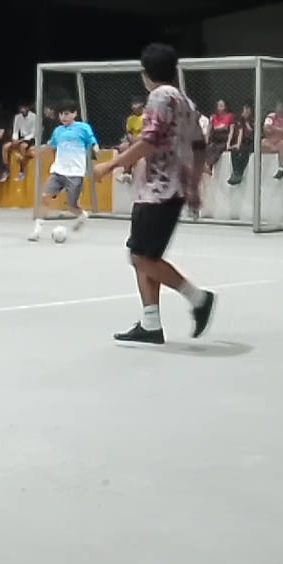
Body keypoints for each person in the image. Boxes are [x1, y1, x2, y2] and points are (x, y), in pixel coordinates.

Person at [89, 43, 216, 344]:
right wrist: (194, 184)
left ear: (145, 73)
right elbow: (200, 145)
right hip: (173, 186)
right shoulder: (185, 101)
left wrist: (111, 165)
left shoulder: (159, 97)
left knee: (141, 258)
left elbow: (150, 140)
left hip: (158, 188)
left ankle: (198, 299)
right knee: (146, 255)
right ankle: (150, 324)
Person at [29, 101, 95, 242]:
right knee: (44, 197)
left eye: (66, 114)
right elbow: (51, 145)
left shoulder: (83, 128)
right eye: (61, 114)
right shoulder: (58, 131)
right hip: (58, 171)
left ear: (74, 114)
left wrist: (96, 149)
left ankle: (82, 215)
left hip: (75, 173)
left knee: (71, 205)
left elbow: (92, 142)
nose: (63, 117)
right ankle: (37, 229)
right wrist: (38, 152)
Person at [0, 100, 38, 183]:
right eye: (21, 108)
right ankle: (6, 169)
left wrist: (21, 140)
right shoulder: (17, 117)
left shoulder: (34, 117)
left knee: (22, 147)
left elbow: (33, 133)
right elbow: (15, 130)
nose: (23, 110)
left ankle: (22, 170)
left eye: (24, 108)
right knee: (5, 147)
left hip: (29, 139)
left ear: (28, 108)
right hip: (20, 138)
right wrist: (14, 139)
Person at [224, 104, 255, 185]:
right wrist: (231, 144)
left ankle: (239, 172)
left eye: (247, 109)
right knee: (235, 151)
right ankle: (235, 171)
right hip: (242, 141)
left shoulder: (253, 121)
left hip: (251, 142)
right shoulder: (239, 120)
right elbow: (238, 132)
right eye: (245, 109)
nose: (245, 111)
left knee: (244, 152)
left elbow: (251, 131)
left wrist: (247, 122)